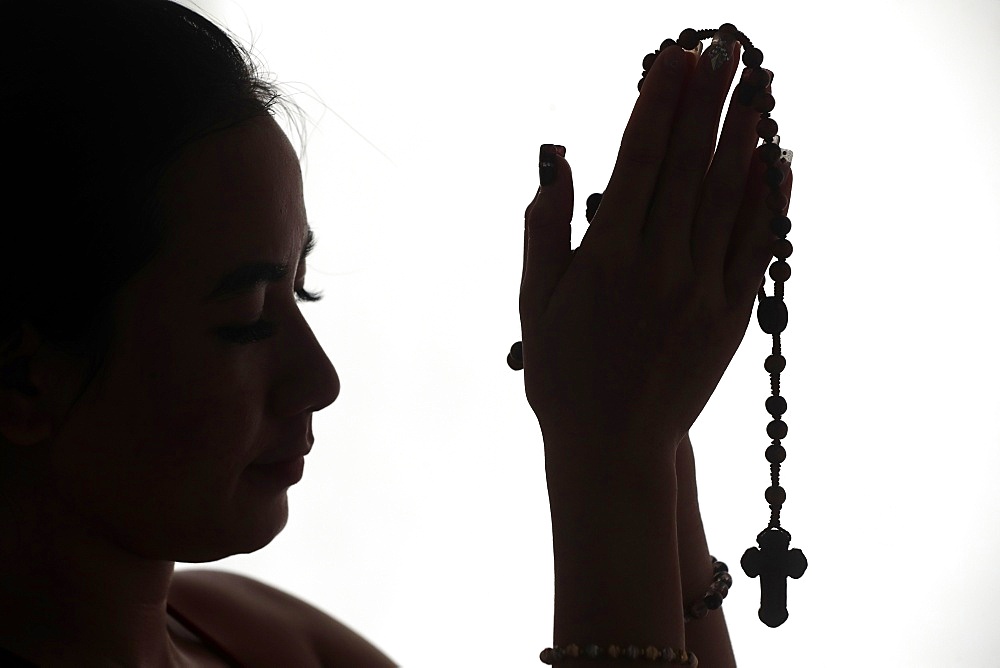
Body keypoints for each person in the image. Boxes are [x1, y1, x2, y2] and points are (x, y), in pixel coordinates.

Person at [0, 1, 789, 665]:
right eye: (242, 323)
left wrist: (654, 427)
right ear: (23, 378)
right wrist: (614, 451)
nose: (322, 380)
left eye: (299, 288)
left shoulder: (253, 634)